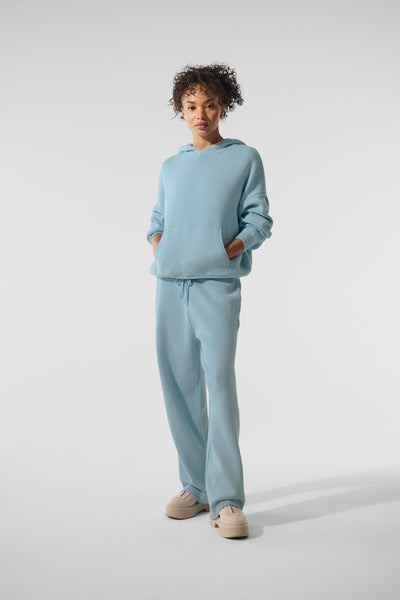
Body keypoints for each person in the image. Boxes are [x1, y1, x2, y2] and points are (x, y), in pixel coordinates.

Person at [146, 63, 273, 539]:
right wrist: (161, 245)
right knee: (178, 385)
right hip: (169, 285)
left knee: (218, 384)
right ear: (180, 110)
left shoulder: (244, 159)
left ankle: (227, 499)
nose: (200, 114)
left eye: (210, 105)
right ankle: (195, 487)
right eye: (191, 106)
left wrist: (225, 252)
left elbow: (258, 219)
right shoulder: (171, 166)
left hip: (216, 285)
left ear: (224, 107)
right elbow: (157, 219)